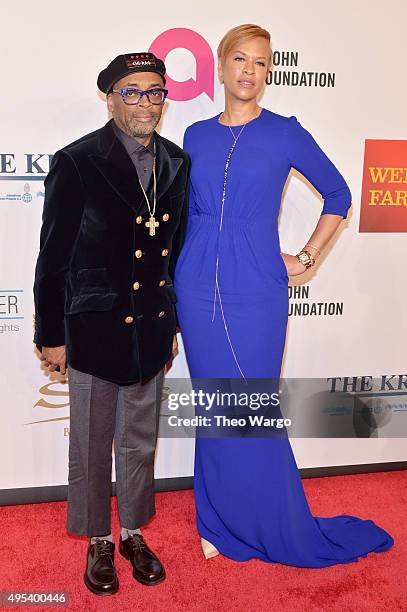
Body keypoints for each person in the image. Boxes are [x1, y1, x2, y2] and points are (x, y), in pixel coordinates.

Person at [174, 24, 394, 566]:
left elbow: (339, 194)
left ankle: (268, 519)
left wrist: (308, 257)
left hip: (258, 290)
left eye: (262, 63)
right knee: (214, 406)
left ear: (269, 73)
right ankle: (218, 520)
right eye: (241, 60)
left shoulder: (285, 132)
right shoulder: (195, 135)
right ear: (221, 66)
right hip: (197, 285)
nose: (251, 71)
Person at [33, 52, 190, 594]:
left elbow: (173, 250)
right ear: (110, 97)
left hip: (150, 326)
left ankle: (131, 532)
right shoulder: (77, 161)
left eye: (155, 92)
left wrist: (170, 322)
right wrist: (50, 334)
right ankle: (98, 539)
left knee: (141, 441)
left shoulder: (175, 161)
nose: (145, 101)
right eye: (132, 91)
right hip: (94, 325)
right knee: (93, 442)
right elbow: (53, 256)